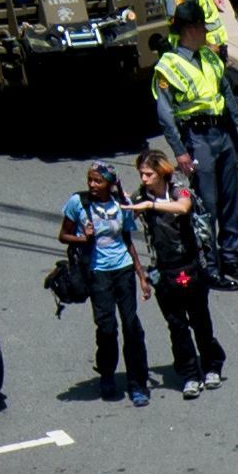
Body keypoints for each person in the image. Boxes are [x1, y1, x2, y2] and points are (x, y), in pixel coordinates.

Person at [152, 0, 238, 284]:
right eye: (202, 28)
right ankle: (209, 265)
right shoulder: (167, 67)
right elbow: (166, 116)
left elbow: (227, 94)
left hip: (220, 133)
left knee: (231, 200)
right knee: (206, 203)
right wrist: (180, 152)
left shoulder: (209, 57)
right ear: (190, 29)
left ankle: (230, 256)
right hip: (196, 139)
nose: (207, 33)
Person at [127, 148, 226, 400]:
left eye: (149, 174)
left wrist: (151, 204)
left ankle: (212, 365)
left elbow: (183, 207)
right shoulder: (140, 195)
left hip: (191, 265)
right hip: (164, 269)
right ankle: (190, 374)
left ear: (161, 172)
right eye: (142, 174)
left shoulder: (179, 188)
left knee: (200, 321)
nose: (145, 179)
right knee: (177, 326)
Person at [61, 164, 152, 402]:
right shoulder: (78, 203)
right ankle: (107, 374)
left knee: (131, 326)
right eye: (90, 180)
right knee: (107, 327)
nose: (92, 185)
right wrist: (83, 237)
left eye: (97, 181)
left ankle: (137, 383)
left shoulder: (120, 204)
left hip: (122, 270)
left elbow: (128, 241)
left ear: (109, 185)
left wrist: (141, 276)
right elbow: (63, 235)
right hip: (97, 273)